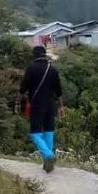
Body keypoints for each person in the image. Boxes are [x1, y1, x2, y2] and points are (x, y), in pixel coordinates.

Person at [19, 45, 64, 173]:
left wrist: (18, 103)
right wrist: (60, 107)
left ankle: (49, 155)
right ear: (44, 54)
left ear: (34, 55)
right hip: (51, 104)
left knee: (35, 134)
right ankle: (48, 164)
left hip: (37, 105)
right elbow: (59, 91)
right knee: (48, 131)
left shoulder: (31, 69)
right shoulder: (53, 70)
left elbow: (23, 88)